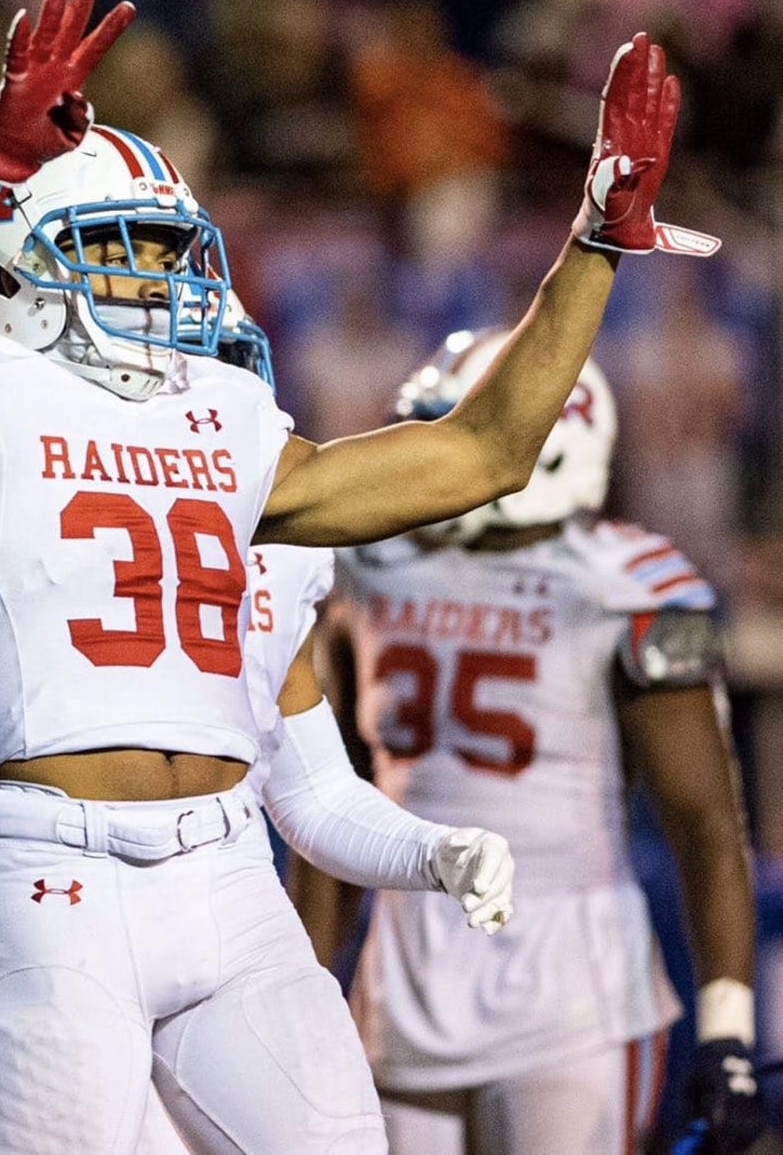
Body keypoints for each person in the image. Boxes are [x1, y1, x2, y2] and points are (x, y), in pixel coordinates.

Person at [0, 0, 715, 1153]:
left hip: (233, 878)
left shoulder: (222, 416)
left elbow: (483, 454)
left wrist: (596, 246)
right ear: (5, 263)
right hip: (51, 888)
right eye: (117, 250)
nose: (157, 282)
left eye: (161, 250)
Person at [0, 304, 516, 1155]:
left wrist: (433, 853)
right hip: (56, 908)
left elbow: (310, 790)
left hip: (221, 898)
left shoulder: (286, 552)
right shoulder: (9, 542)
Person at [301, 329, 764, 1155]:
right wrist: (301, 987)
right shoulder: (373, 565)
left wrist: (728, 1030)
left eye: (459, 428)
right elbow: (328, 795)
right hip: (403, 976)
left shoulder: (624, 583)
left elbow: (706, 823)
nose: (433, 455)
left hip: (574, 994)